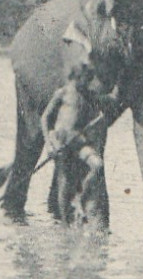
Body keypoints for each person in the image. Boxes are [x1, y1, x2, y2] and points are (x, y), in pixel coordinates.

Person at [40, 62, 108, 227]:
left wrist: (98, 121)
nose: (87, 83)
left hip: (79, 143)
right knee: (63, 182)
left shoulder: (88, 95)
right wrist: (49, 142)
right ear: (76, 77)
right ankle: (64, 222)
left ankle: (82, 196)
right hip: (62, 143)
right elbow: (45, 118)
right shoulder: (62, 93)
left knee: (97, 165)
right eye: (85, 80)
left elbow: (102, 111)